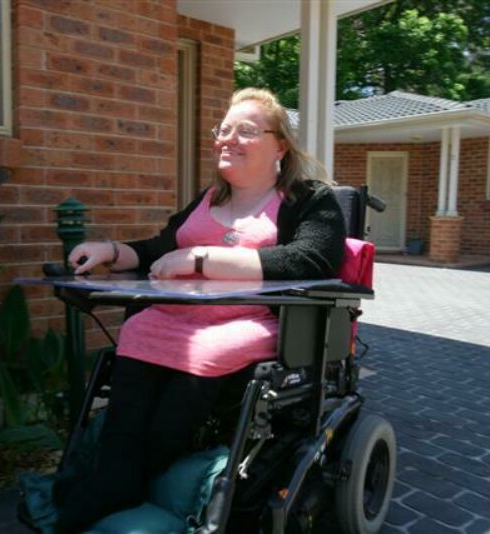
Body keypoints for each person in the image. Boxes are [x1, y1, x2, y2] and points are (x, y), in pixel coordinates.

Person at [56, 87, 346, 531]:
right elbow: (158, 248)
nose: (227, 139)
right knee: (138, 330)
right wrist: (110, 249)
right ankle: (113, 475)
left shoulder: (309, 200)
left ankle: (133, 477)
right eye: (223, 130)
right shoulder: (211, 198)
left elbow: (311, 259)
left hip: (246, 321)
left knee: (202, 350)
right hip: (177, 315)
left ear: (280, 146)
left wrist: (202, 258)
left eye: (245, 131)